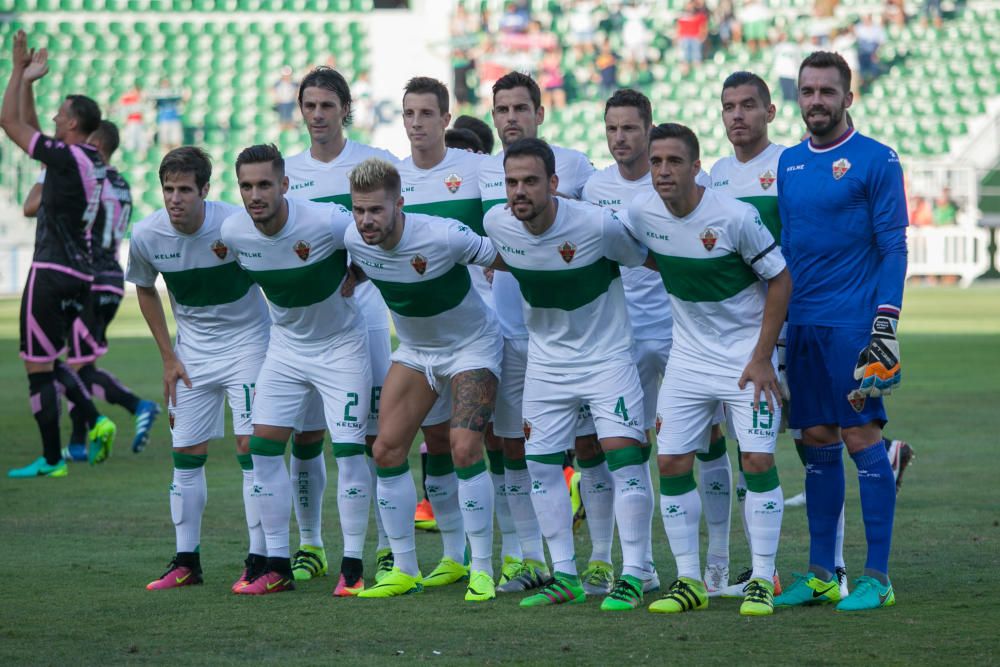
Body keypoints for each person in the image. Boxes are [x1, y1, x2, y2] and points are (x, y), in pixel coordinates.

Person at [626, 123, 791, 616]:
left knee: (757, 461)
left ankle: (762, 577)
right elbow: (651, 255)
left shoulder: (734, 217)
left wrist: (763, 356)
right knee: (671, 462)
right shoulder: (641, 212)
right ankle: (691, 580)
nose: (662, 172)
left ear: (697, 166)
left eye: (674, 161)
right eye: (656, 162)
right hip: (689, 359)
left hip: (747, 359)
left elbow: (780, 280)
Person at [485, 137, 656, 611]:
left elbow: (648, 261)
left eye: (530, 181)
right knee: (539, 466)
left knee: (625, 460)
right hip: (547, 364)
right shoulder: (497, 223)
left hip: (607, 359)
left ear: (555, 184)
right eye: (511, 182)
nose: (519, 191)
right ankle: (565, 575)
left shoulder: (597, 225)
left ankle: (636, 573)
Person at [774, 51, 907, 612]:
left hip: (854, 324)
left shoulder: (877, 159)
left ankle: (877, 577)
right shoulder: (787, 162)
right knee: (816, 444)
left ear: (848, 98)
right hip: (801, 322)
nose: (816, 102)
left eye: (828, 92)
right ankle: (822, 574)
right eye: (808, 91)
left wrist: (885, 323)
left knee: (861, 440)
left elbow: (894, 245)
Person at [346, 158, 504, 601]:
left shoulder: (444, 235)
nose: (366, 220)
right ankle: (405, 568)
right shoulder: (353, 239)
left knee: (465, 446)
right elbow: (358, 265)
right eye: (359, 211)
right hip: (418, 353)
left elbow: (508, 258)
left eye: (376, 210)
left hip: (473, 346)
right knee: (385, 449)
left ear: (400, 203)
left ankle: (482, 569)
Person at [222, 144, 372, 595]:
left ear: (285, 185)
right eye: (246, 186)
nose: (255, 195)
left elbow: (376, 235)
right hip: (286, 350)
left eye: (265, 184)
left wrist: (359, 274)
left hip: (342, 347)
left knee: (348, 453)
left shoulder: (325, 220)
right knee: (261, 450)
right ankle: (276, 564)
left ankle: (352, 566)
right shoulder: (234, 233)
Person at [127, 147, 269, 591]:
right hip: (192, 355)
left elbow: (272, 269)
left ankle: (259, 559)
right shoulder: (147, 235)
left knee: (252, 451)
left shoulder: (234, 225)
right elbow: (145, 289)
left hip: (248, 346)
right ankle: (186, 561)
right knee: (185, 454)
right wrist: (168, 356)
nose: (175, 199)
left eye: (185, 190)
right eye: (168, 189)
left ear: (205, 191)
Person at [478, 71, 596, 596]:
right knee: (510, 449)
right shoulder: (480, 173)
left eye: (520, 108)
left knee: (591, 447)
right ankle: (529, 557)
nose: (510, 118)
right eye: (501, 109)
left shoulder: (574, 166)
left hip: (574, 337)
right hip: (508, 334)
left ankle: (600, 562)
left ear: (540, 112)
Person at [283, 66, 397, 593]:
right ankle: (311, 544)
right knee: (306, 436)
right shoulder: (287, 172)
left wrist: (361, 271)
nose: (317, 115)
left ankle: (384, 548)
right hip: (301, 324)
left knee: (369, 437)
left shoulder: (373, 164)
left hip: (362, 316)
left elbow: (398, 231)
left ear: (345, 109)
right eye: (309, 105)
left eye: (327, 105)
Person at [2, 32, 117, 478]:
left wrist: (15, 69)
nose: (53, 116)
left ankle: (54, 458)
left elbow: (10, 124)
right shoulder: (87, 160)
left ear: (72, 125)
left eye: (60, 113)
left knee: (36, 366)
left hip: (50, 271)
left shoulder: (69, 160)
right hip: (78, 274)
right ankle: (96, 419)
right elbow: (27, 124)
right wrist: (28, 83)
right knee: (51, 360)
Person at [395, 76, 495, 589]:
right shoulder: (392, 178)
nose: (417, 124)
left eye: (426, 114)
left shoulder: (478, 169)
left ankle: (499, 558)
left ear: (445, 117)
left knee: (482, 444)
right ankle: (453, 555)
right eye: (409, 114)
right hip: (422, 333)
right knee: (434, 443)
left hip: (482, 323)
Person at [581, 88, 676, 598]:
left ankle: (717, 565)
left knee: (697, 448)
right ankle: (624, 561)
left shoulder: (678, 177)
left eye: (630, 128)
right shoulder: (594, 188)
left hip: (681, 332)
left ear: (649, 127)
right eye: (613, 128)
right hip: (620, 338)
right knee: (625, 448)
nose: (620, 138)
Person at [61, 121, 160, 460]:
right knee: (81, 364)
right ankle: (77, 444)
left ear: (96, 144)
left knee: (77, 368)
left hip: (90, 278)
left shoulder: (92, 179)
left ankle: (138, 406)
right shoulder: (121, 182)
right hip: (112, 279)